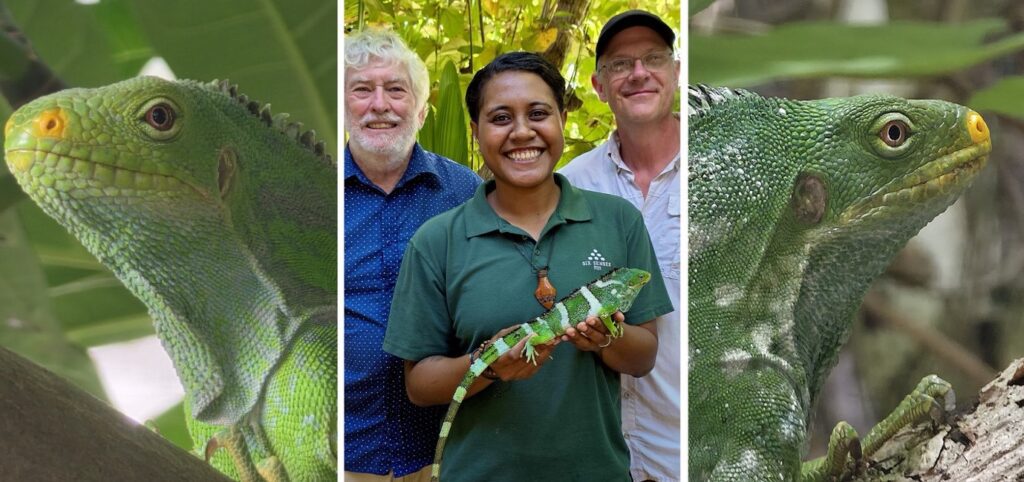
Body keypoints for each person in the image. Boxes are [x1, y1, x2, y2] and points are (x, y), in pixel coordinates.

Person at [383, 51, 673, 482]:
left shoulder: (618, 220)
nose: (522, 132)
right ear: (476, 131)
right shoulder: (436, 240)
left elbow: (644, 355)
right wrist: (488, 364)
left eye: (538, 113)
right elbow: (418, 385)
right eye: (500, 118)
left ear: (561, 120)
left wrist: (605, 337)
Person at [343, 28, 481, 482]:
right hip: (342, 454)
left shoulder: (466, 193)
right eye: (362, 89)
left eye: (395, 90)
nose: (379, 104)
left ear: (421, 111)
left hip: (445, 453)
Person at [558, 10, 681, 482]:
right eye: (619, 65)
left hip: (685, 444)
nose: (638, 73)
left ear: (675, 71)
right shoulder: (571, 185)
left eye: (653, 58)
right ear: (598, 85)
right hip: (597, 449)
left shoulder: (715, 169)